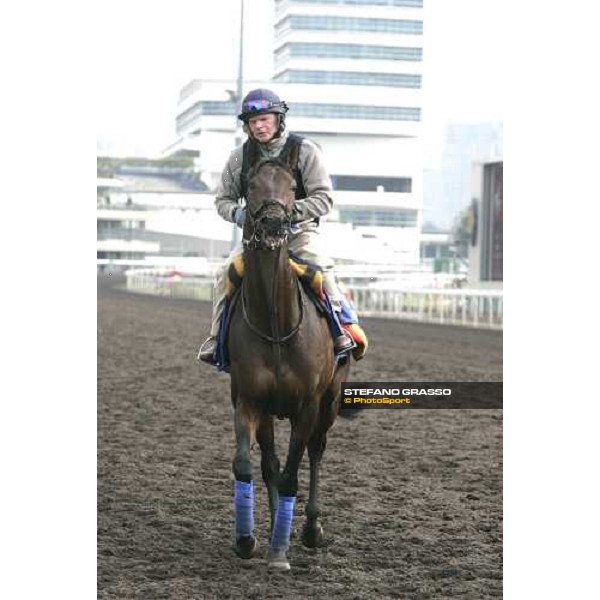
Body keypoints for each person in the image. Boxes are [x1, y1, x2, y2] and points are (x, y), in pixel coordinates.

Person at [198, 88, 361, 365]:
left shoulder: (306, 151)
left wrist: (288, 213)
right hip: (256, 239)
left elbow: (324, 198)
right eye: (253, 121)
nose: (259, 126)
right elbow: (222, 200)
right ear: (247, 125)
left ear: (278, 119)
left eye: (265, 119)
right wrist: (240, 216)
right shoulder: (238, 158)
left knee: (322, 268)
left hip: (299, 235)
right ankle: (216, 338)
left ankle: (341, 328)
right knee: (225, 272)